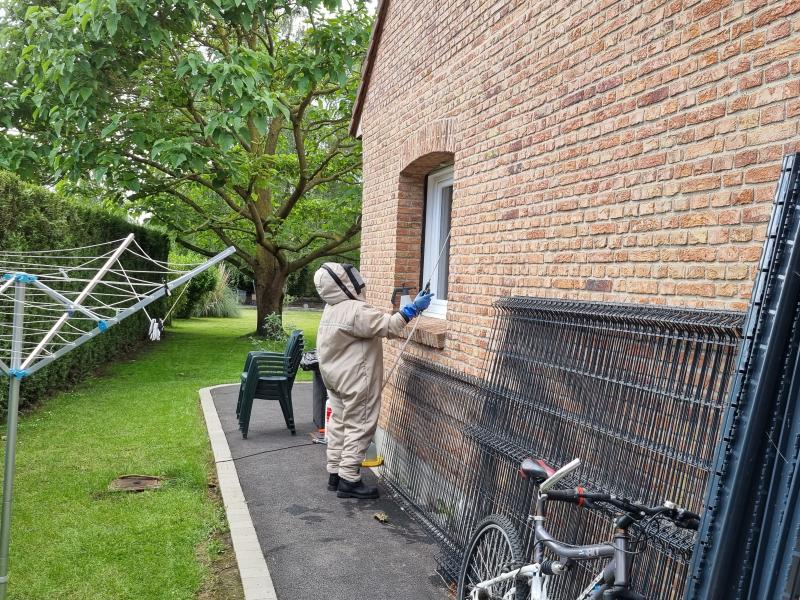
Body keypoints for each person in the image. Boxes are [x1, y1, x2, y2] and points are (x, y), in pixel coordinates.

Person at [314, 263, 433, 499]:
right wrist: (412, 310)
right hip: (355, 380)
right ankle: (349, 479)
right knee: (360, 425)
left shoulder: (330, 308)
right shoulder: (356, 310)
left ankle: (335, 474)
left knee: (338, 424)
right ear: (345, 282)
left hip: (334, 379)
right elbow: (388, 327)